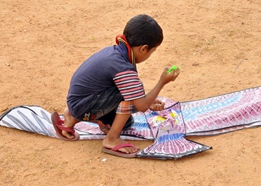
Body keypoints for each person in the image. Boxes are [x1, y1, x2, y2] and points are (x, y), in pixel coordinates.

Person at [51, 14, 180, 158]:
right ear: (144, 48)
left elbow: (139, 102)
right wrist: (162, 82)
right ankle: (111, 139)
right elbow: (140, 104)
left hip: (80, 101)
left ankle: (71, 117)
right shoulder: (122, 66)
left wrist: (148, 102)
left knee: (126, 123)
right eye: (152, 51)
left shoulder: (117, 52)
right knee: (127, 93)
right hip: (83, 106)